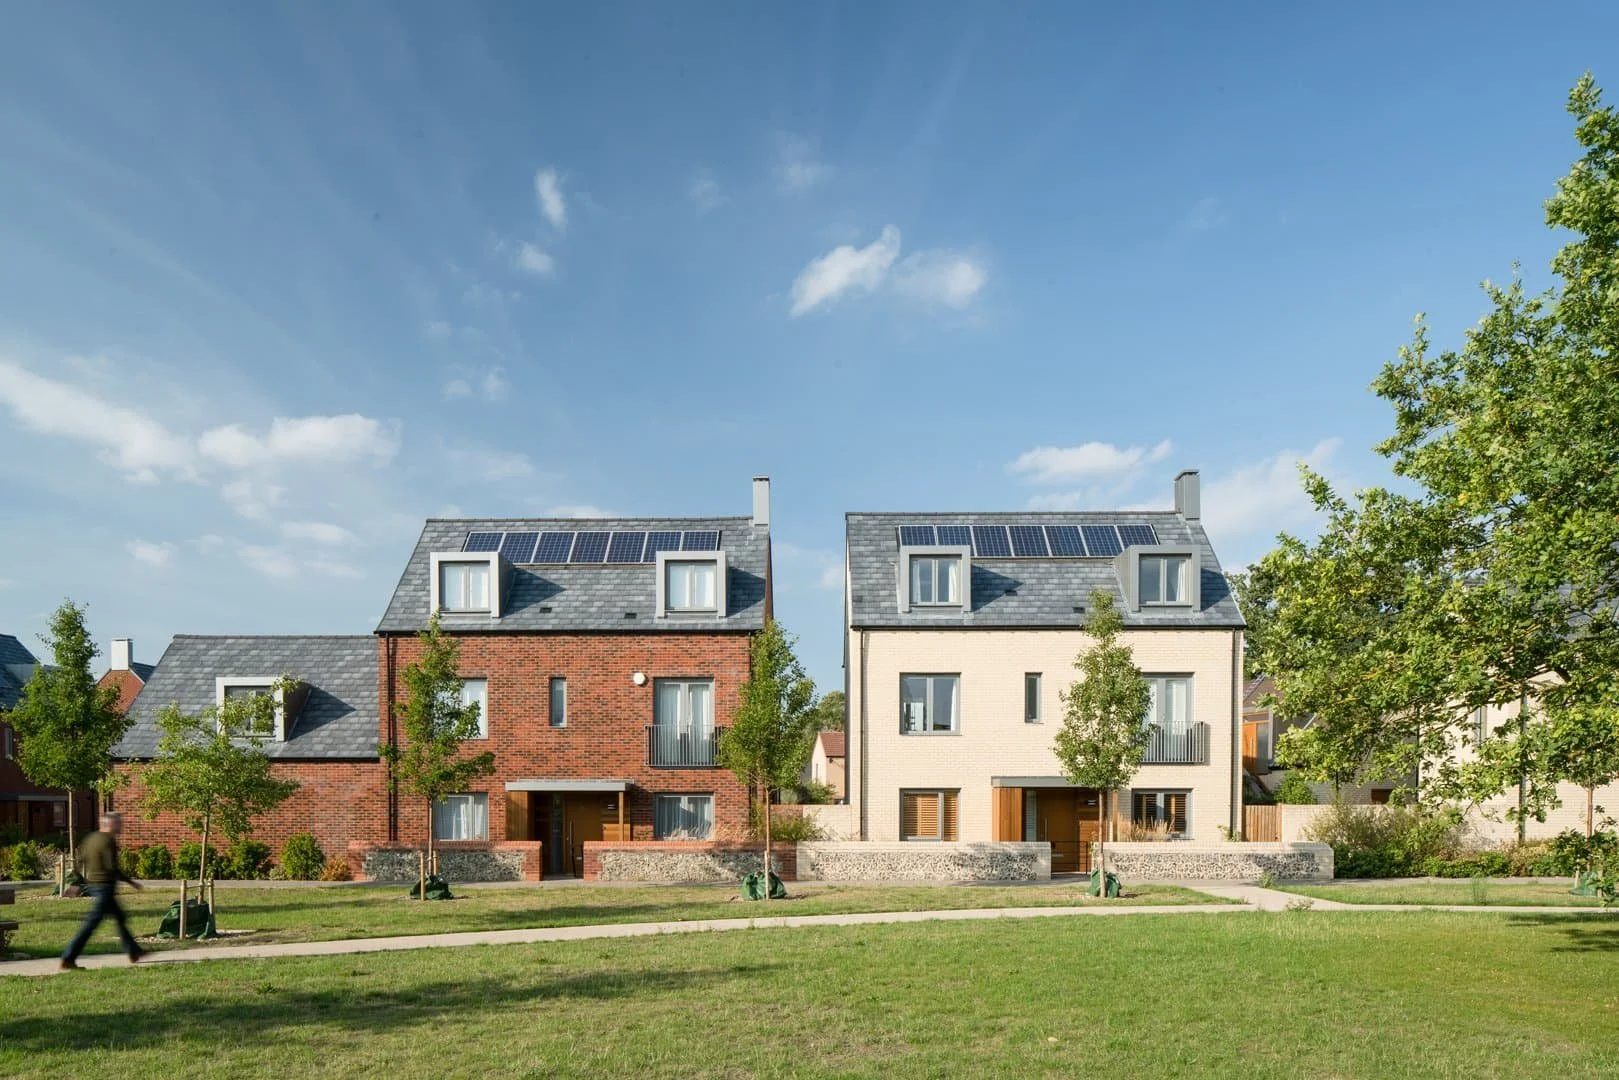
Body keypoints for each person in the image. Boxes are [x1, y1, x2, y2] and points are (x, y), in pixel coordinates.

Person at [60, 811, 145, 969]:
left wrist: (77, 882)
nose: (121, 826)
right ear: (109, 824)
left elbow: (79, 861)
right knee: (91, 924)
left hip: (95, 886)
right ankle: (68, 957)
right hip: (105, 887)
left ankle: (134, 951)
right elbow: (112, 868)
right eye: (118, 823)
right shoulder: (108, 841)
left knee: (120, 918)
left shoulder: (91, 838)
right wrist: (131, 882)